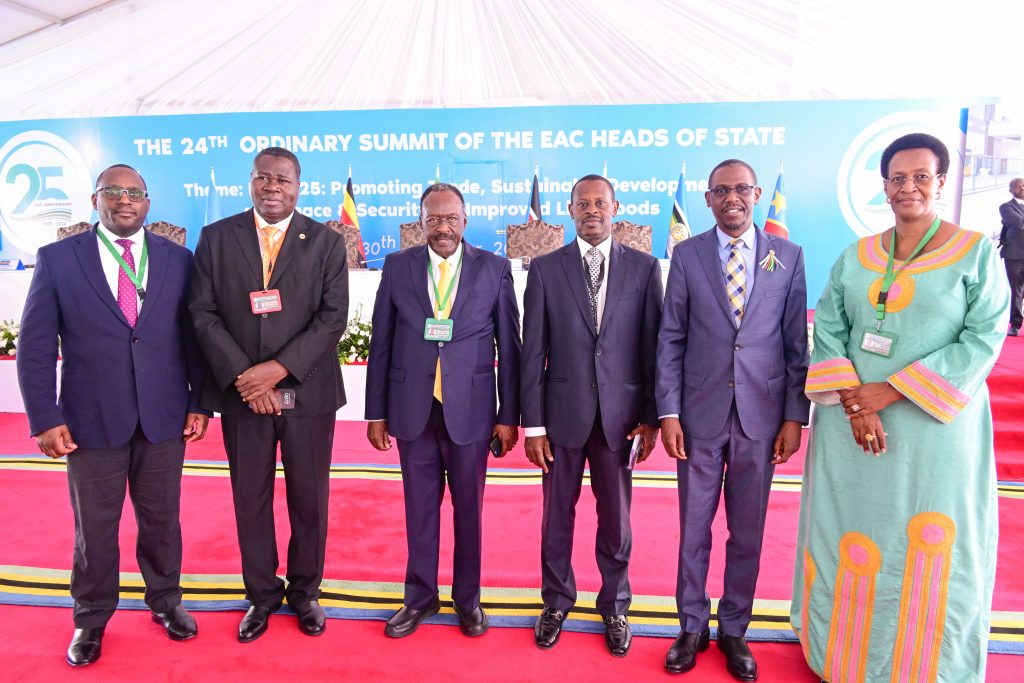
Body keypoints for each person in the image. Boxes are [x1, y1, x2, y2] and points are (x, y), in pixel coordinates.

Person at [791, 133, 1009, 682]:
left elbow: (983, 338)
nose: (907, 186)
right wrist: (856, 404)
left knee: (929, 539)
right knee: (852, 532)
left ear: (940, 182)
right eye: (896, 178)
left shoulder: (976, 252)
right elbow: (831, 329)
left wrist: (890, 391)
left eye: (921, 176)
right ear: (884, 186)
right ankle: (841, 657)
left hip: (933, 433)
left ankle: (925, 666)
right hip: (850, 427)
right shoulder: (858, 256)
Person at [17, 164, 209, 666]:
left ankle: (166, 602)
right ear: (95, 199)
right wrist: (43, 416)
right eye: (114, 192)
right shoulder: (58, 260)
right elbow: (35, 347)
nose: (126, 200)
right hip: (90, 419)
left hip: (164, 416)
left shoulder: (178, 260)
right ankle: (91, 618)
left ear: (149, 203)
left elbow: (193, 338)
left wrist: (197, 402)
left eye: (136, 193)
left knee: (162, 521)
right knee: (95, 528)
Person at [656, 159, 809, 680]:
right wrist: (669, 411)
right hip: (698, 417)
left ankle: (734, 630)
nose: (732, 198)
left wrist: (795, 417)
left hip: (761, 420)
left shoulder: (786, 256)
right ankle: (691, 626)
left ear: (758, 193)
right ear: (707, 199)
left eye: (741, 189)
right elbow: (670, 337)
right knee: (693, 528)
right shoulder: (687, 255)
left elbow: (795, 345)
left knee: (748, 531)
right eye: (721, 191)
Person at [189, 147, 348, 642]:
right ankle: (260, 595)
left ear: (299, 186)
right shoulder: (217, 237)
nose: (272, 186)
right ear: (251, 182)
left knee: (309, 498)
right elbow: (202, 313)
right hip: (243, 397)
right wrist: (246, 377)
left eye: (283, 179)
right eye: (263, 177)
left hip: (308, 393)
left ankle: (305, 594)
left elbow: (332, 317)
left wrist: (276, 371)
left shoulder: (325, 241)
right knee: (250, 498)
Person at [365, 183, 520, 639]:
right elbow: (382, 344)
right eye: (433, 219)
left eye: (450, 218)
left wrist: (508, 415)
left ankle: (467, 599)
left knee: (469, 511)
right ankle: (419, 597)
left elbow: (510, 347)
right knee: (419, 510)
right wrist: (376, 413)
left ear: (465, 221)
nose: (443, 227)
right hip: (412, 410)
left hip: (471, 414)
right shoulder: (397, 268)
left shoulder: (494, 269)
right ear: (421, 223)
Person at [521, 174, 663, 657]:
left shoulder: (645, 269)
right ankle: (556, 601)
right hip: (560, 420)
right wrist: (533, 425)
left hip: (620, 421)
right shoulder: (544, 269)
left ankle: (616, 605)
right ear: (570, 209)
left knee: (616, 520)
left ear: (615, 206)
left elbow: (652, 350)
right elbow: (531, 354)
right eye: (583, 204)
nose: (592, 211)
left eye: (600, 203)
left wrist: (650, 416)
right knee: (555, 518)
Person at [998, 177, 1024, 336]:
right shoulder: (1006, 207)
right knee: (1016, 290)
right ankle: (1015, 324)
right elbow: (1020, 223)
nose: (1022, 188)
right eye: (1017, 186)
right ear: (1011, 190)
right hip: (1015, 256)